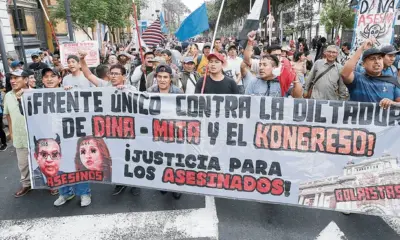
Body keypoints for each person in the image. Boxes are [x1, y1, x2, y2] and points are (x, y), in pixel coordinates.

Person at [341, 39, 400, 107]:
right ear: (363, 64)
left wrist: (392, 103)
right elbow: (345, 74)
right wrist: (361, 48)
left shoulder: (392, 81)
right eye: (372, 59)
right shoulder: (357, 79)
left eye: (379, 58)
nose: (377, 61)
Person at [4, 69, 31, 197]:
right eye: (11, 78)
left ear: (25, 80)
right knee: (23, 164)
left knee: (41, 160)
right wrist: (11, 132)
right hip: (19, 136)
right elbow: (8, 115)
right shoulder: (8, 95)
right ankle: (26, 184)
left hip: (35, 135)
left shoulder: (34, 93)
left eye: (16, 78)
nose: (13, 81)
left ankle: (48, 184)